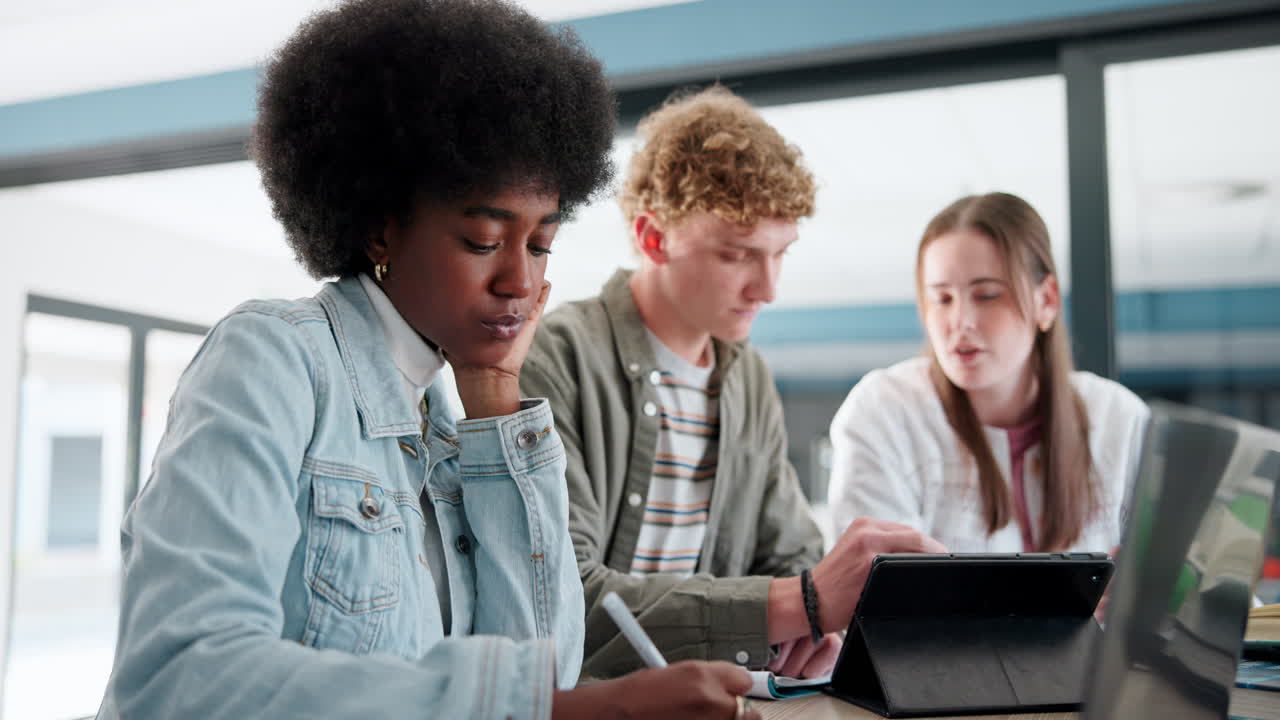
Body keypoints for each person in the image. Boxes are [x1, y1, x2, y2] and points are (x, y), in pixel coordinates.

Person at [96, 2, 762, 719]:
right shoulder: (271, 362)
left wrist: (495, 397)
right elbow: (184, 678)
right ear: (381, 228)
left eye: (541, 244)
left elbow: (546, 662)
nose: (521, 281)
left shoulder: (452, 427)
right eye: (482, 240)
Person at [520, 86, 945, 681]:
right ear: (652, 237)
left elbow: (791, 552)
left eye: (780, 254)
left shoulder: (747, 379)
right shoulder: (553, 360)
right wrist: (798, 605)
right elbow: (564, 599)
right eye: (737, 254)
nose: (767, 289)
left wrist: (808, 622)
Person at [827, 192, 1149, 554]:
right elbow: (882, 593)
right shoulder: (886, 410)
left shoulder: (1120, 418)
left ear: (1046, 301)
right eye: (942, 299)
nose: (960, 323)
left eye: (987, 295)